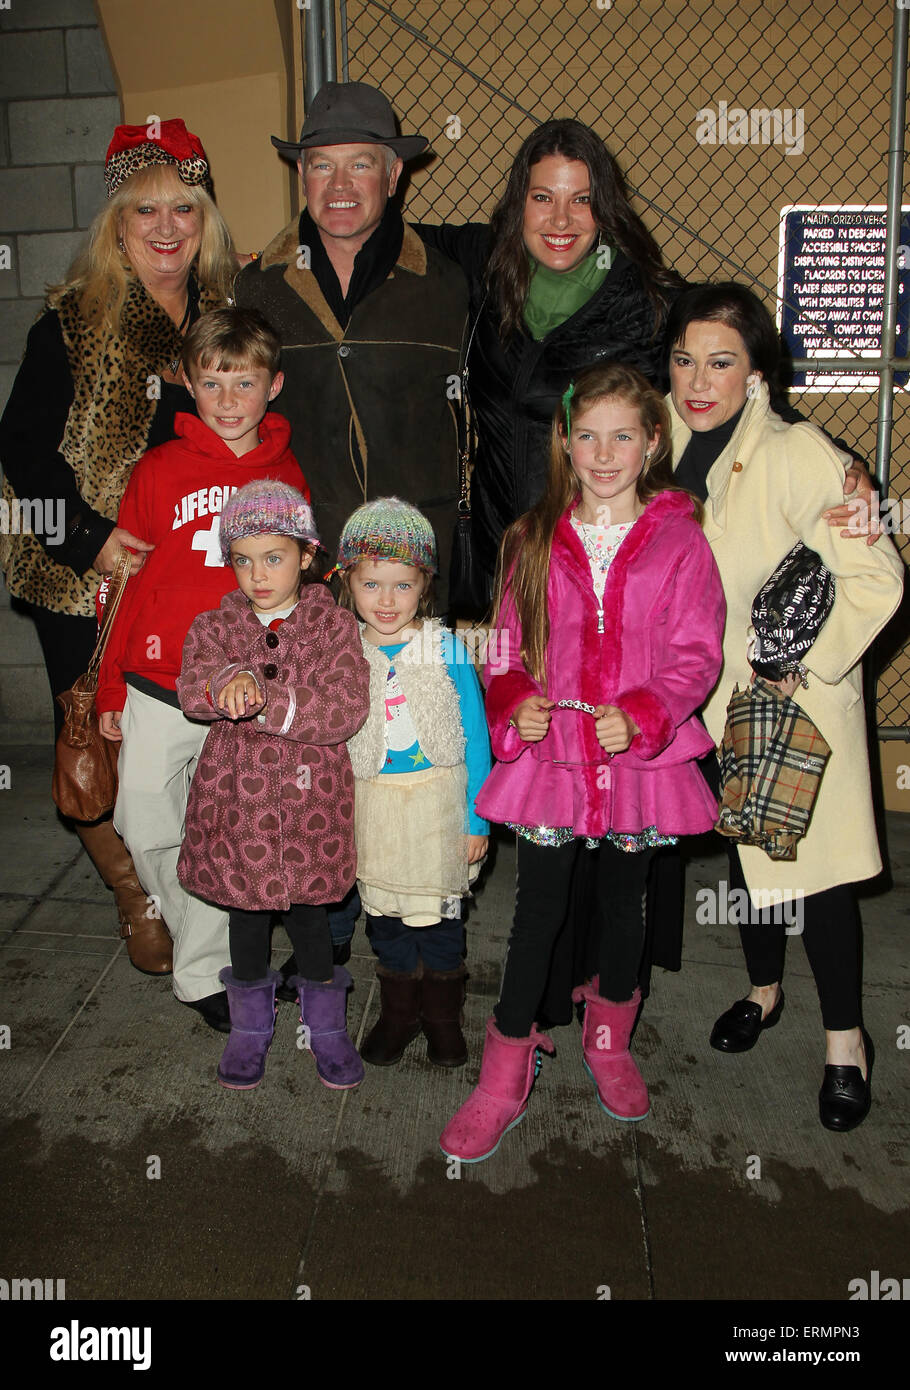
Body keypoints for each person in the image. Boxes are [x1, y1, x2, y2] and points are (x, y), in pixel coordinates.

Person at [439, 363, 726, 1163]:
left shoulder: (680, 540)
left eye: (623, 436)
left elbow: (696, 653)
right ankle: (505, 1068)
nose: (604, 454)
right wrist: (514, 699)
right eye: (587, 435)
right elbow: (503, 645)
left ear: (653, 441)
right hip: (556, 762)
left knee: (624, 907)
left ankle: (609, 1039)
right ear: (565, 439)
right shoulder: (531, 537)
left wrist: (642, 715)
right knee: (538, 912)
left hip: (639, 763)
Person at [0, 119, 237, 975]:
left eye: (184, 208)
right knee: (95, 751)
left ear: (206, 221)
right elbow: (20, 448)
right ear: (117, 223)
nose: (167, 227)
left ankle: (201, 900)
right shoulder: (73, 321)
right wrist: (93, 543)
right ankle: (137, 898)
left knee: (179, 747)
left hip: (190, 575)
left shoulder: (223, 323)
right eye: (146, 211)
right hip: (82, 574)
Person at [665, 283, 903, 1131]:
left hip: (790, 702)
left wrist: (797, 669)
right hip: (707, 701)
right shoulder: (659, 436)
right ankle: (763, 994)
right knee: (747, 859)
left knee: (820, 878)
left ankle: (848, 1041)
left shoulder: (804, 455)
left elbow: (879, 580)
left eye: (722, 362)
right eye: (685, 358)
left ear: (758, 373)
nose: (699, 379)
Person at [95, 309, 309, 1031]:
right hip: (155, 681)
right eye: (212, 380)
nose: (226, 398)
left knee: (229, 831)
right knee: (143, 816)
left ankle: (213, 974)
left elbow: (294, 588)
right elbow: (121, 586)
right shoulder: (157, 471)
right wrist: (106, 686)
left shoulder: (285, 471)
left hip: (240, 690)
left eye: (243, 382)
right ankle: (206, 945)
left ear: (272, 386)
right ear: (187, 381)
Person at [234, 81, 468, 589]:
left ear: (393, 174)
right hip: (299, 576)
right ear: (301, 174)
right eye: (323, 165)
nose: (340, 185)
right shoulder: (254, 290)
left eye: (360, 164)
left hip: (416, 573)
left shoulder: (449, 287)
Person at [175, 480, 370, 1090]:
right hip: (239, 804)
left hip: (312, 804)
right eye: (243, 559)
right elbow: (191, 687)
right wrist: (220, 687)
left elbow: (346, 708)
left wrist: (268, 702)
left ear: (307, 556)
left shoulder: (334, 627)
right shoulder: (214, 626)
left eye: (275, 557)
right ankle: (249, 1028)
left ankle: (327, 1028)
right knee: (247, 915)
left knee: (312, 916)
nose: (258, 575)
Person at [332, 498, 491, 1069]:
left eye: (403, 585)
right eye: (372, 584)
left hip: (437, 808)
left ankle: (442, 1020)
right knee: (387, 922)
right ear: (348, 582)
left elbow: (476, 734)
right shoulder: (342, 651)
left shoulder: (445, 648)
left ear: (425, 585)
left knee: (440, 924)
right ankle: (399, 1015)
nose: (387, 600)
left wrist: (477, 819)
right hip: (373, 807)